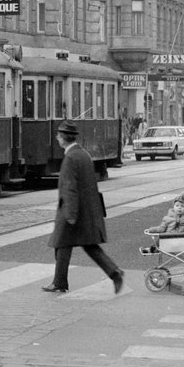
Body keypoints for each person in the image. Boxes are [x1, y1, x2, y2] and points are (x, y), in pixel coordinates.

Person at [43, 121, 125, 294]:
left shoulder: (71, 157)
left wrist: (70, 216)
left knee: (64, 244)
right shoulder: (82, 154)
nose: (57, 138)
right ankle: (112, 272)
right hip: (86, 211)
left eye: (58, 135)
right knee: (83, 246)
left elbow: (69, 188)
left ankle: (60, 283)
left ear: (63, 138)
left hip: (74, 212)